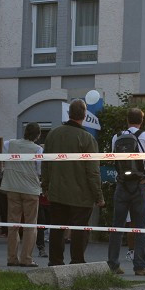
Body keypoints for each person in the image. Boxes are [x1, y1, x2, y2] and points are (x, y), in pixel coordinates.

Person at [42, 99, 104, 266]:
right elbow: (92, 171)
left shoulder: (53, 134)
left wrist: (45, 186)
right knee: (80, 230)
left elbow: (45, 164)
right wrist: (98, 195)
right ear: (84, 115)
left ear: (69, 114)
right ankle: (77, 261)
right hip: (81, 195)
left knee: (57, 229)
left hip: (57, 192)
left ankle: (55, 262)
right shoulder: (87, 138)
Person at [107, 107, 145, 276]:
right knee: (139, 227)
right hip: (139, 184)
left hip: (121, 184)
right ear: (141, 121)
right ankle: (140, 266)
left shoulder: (117, 136)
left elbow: (113, 158)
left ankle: (113, 265)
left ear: (127, 120)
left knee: (117, 226)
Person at [1, 122, 43, 268]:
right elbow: (39, 170)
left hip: (12, 187)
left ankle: (12, 258)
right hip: (30, 189)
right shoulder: (38, 149)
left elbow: (3, 157)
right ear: (38, 135)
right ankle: (26, 258)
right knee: (30, 225)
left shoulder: (9, 144)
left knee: (13, 224)